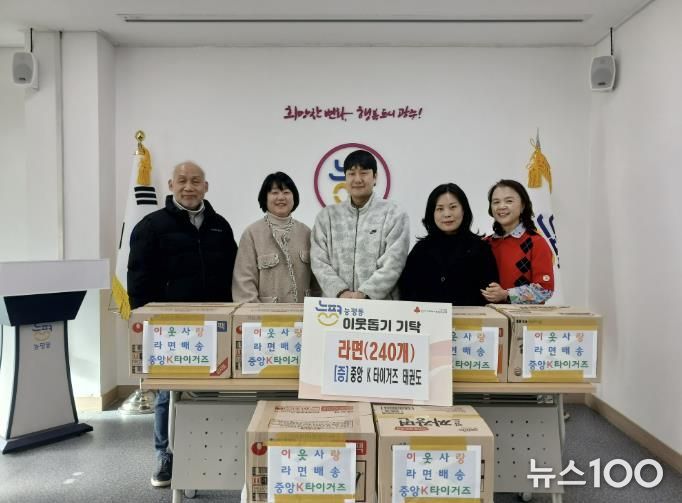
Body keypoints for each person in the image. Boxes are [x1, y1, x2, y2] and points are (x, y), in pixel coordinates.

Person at [127, 161, 238, 487]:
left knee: (210, 393)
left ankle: (206, 453)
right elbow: (137, 283)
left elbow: (233, 277)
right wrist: (144, 326)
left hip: (213, 327)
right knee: (168, 396)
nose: (189, 187)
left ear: (206, 187)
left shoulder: (220, 227)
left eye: (195, 181)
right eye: (182, 181)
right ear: (171, 185)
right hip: (169, 330)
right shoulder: (151, 226)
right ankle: (166, 456)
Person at [311, 149, 409, 299]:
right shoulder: (327, 216)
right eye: (351, 173)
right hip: (336, 305)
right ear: (345, 178)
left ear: (375, 177)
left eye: (364, 173)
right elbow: (319, 261)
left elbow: (394, 261)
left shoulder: (393, 213)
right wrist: (340, 292)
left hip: (381, 307)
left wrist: (365, 293)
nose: (357, 179)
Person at [399, 183, 498, 305]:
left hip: (469, 316)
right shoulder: (420, 249)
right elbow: (406, 290)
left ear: (464, 210)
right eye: (440, 209)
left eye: (453, 207)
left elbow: (489, 294)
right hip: (427, 316)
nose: (447, 214)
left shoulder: (480, 248)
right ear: (432, 213)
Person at [232, 172, 317, 302]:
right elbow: (244, 286)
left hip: (303, 312)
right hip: (266, 314)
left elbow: (317, 282)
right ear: (265, 198)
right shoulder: (252, 234)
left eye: (286, 192)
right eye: (274, 192)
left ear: (294, 197)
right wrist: (256, 314)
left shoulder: (307, 233)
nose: (281, 197)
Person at [481, 179, 554, 304]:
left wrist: (506, 295)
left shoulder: (536, 242)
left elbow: (544, 289)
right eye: (496, 202)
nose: (501, 206)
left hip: (525, 316)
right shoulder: (485, 244)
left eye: (509, 201)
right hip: (488, 315)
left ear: (523, 205)